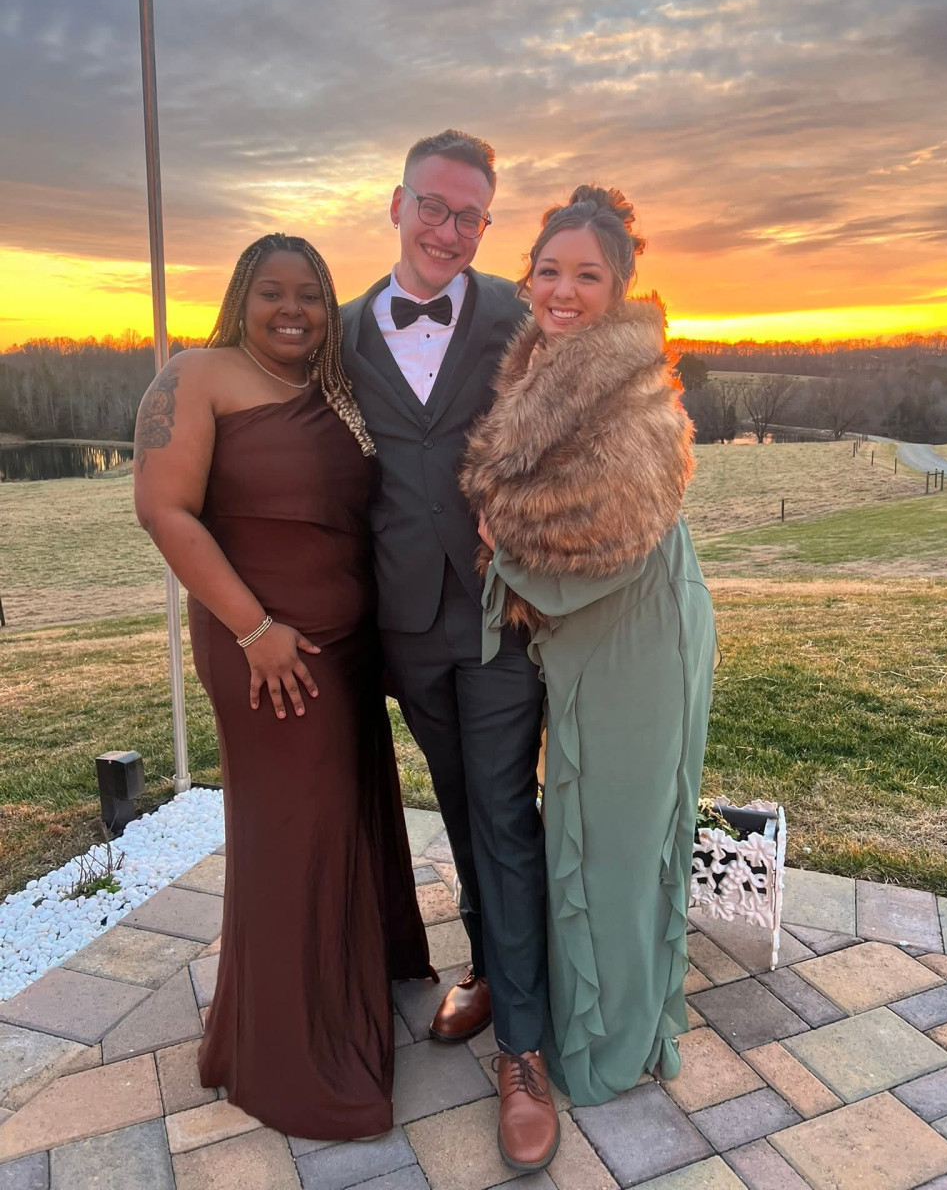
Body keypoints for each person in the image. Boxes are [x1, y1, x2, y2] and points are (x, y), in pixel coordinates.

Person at [133, 233, 432, 1140]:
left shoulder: (334, 390)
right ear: (242, 296)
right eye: (273, 291)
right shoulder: (196, 376)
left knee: (342, 817)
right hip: (262, 646)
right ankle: (290, 1058)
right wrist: (255, 630)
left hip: (345, 648)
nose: (292, 309)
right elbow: (163, 510)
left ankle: (351, 979)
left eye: (310, 294)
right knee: (295, 832)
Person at [461, 187, 716, 1107]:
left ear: (620, 288)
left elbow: (609, 539)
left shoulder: (635, 392)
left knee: (617, 844)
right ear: (528, 277)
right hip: (583, 636)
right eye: (549, 271)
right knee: (578, 826)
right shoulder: (542, 365)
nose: (562, 292)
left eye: (587, 276)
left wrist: (502, 535)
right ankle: (581, 1021)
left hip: (637, 631)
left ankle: (610, 1046)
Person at [341, 131, 560, 1172]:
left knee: (505, 806)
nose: (448, 229)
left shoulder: (522, 317)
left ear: (486, 225)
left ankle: (524, 1048)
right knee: (461, 802)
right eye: (433, 206)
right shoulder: (340, 332)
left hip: (498, 613)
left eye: (470, 215)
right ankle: (491, 964)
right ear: (396, 205)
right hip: (404, 622)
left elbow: (571, 431)